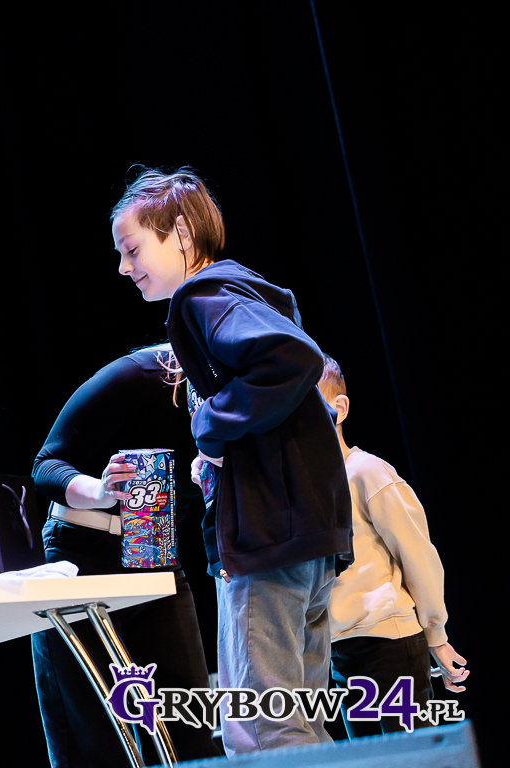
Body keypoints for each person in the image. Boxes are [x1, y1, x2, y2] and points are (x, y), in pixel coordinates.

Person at [110, 167, 350, 755]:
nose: (123, 267)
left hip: (268, 537)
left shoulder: (202, 296)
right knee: (302, 723)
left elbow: (294, 359)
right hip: (308, 533)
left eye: (132, 249)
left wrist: (208, 425)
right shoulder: (244, 291)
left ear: (180, 232)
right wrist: (223, 451)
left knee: (262, 728)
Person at [31, 344, 221, 767]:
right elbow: (46, 465)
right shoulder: (136, 376)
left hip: (155, 550)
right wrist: (101, 492)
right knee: (93, 737)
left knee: (187, 727)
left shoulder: (241, 403)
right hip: (81, 552)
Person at [317, 355, 468, 737]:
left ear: (339, 408)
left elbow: (417, 553)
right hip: (340, 649)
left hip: (388, 641)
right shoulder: (306, 491)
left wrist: (436, 635)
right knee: (369, 758)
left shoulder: (366, 472)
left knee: (410, 757)